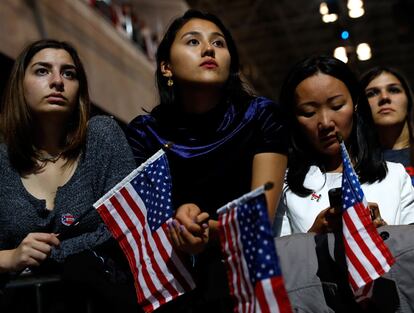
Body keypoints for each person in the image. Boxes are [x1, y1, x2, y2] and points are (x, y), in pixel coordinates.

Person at [126, 9, 288, 312]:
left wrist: (205, 230)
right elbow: (146, 218)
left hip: (245, 267)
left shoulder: (261, 117)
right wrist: (179, 221)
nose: (209, 48)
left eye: (219, 43)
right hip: (172, 275)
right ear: (166, 67)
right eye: (192, 42)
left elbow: (260, 217)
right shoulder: (145, 132)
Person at [0, 39, 138, 312]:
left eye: (69, 73)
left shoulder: (101, 137)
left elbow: (127, 223)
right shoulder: (3, 161)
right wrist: (10, 257)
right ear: (20, 85)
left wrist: (53, 253)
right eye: (42, 71)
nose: (57, 81)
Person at [273, 55, 414, 237]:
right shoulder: (284, 186)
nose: (325, 122)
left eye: (337, 106)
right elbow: (279, 256)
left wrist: (385, 234)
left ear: (355, 104)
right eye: (308, 112)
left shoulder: (395, 176)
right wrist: (313, 236)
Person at [360, 67, 414, 185]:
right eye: (371, 93)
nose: (384, 97)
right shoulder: (354, 164)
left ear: (408, 100)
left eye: (394, 90)